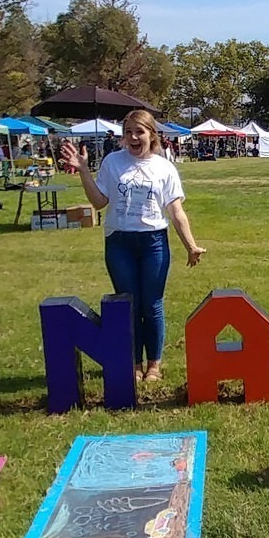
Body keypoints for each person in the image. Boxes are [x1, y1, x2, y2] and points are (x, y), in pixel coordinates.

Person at [60, 110, 206, 383]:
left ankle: (154, 364)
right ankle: (134, 363)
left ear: (152, 135)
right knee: (128, 305)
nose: (134, 137)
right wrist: (83, 171)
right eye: (128, 132)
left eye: (140, 131)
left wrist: (191, 245)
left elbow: (175, 211)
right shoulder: (113, 162)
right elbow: (99, 202)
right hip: (119, 243)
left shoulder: (164, 168)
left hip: (153, 243)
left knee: (152, 305)